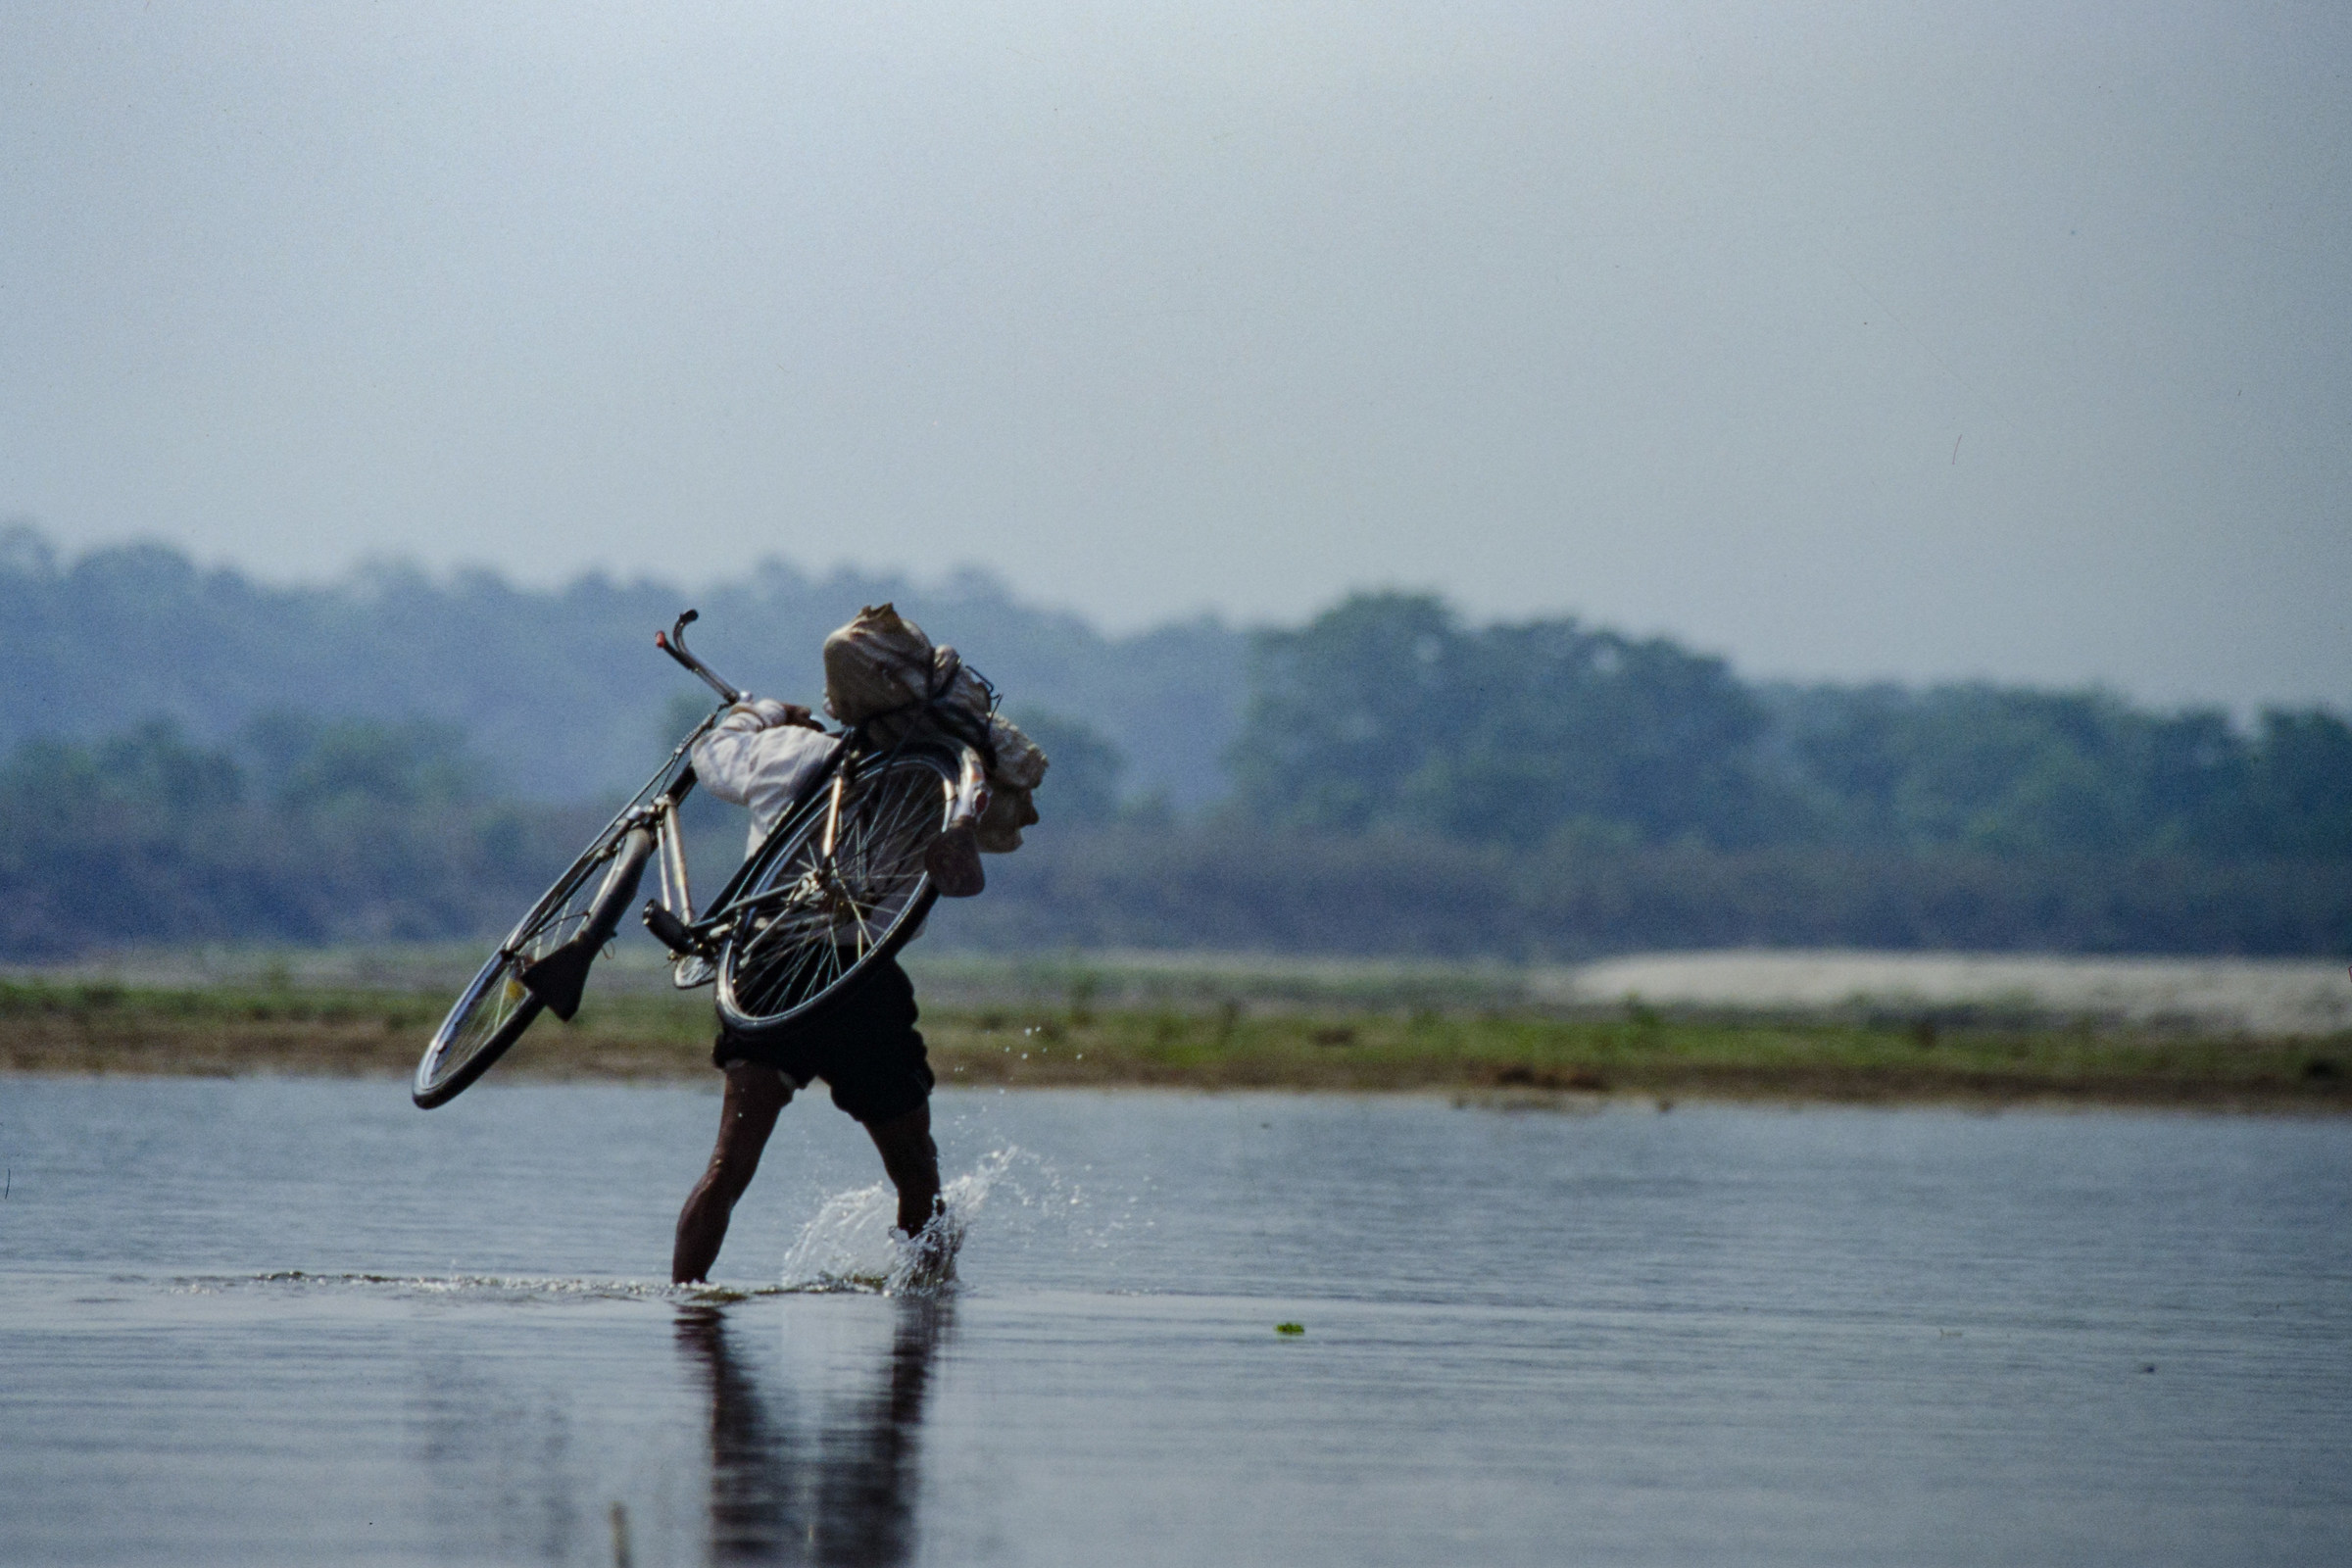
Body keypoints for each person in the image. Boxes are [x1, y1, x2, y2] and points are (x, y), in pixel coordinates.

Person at [669, 696, 945, 1285]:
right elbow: (917, 913)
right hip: (861, 980)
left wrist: (760, 711)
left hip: (770, 973)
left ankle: (686, 1308)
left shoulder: (787, 749)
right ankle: (925, 1312)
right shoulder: (933, 787)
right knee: (916, 1169)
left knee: (728, 1167)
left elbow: (711, 756)